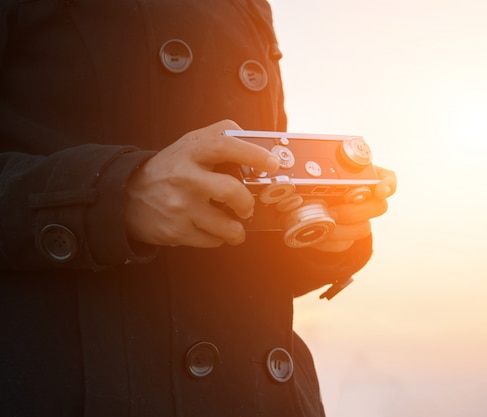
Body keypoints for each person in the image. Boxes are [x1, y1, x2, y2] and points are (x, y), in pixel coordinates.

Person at [0, 1, 396, 416]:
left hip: (265, 396)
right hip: (77, 390)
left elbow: (239, 234)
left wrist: (320, 237)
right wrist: (120, 194)